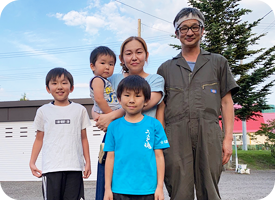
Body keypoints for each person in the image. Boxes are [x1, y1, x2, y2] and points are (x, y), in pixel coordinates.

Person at [157, 7, 239, 200]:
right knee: (179, 192)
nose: (190, 32)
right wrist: (160, 142)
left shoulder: (218, 63)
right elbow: (160, 107)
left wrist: (227, 139)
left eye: (195, 27)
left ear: (202, 30)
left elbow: (227, 103)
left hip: (209, 133)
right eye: (183, 28)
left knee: (209, 190)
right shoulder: (166, 69)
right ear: (176, 34)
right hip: (175, 137)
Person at [94, 36, 165, 200]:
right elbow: (98, 101)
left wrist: (110, 116)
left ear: (146, 55)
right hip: (117, 137)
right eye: (128, 53)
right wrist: (98, 116)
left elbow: (146, 104)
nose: (134, 57)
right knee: (110, 189)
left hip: (144, 142)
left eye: (139, 52)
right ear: (121, 58)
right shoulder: (111, 80)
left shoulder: (155, 79)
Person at [103, 75, 169, 200]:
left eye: (137, 96)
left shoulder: (154, 125)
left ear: (146, 100)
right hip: (119, 190)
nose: (132, 100)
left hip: (148, 190)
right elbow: (110, 158)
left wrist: (159, 187)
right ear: (119, 98)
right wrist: (107, 188)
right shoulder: (113, 127)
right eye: (127, 95)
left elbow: (159, 156)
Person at [29, 67, 91, 200]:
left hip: (74, 167)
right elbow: (39, 139)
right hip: (51, 168)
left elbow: (84, 138)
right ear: (48, 88)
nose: (59, 87)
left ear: (72, 87)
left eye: (64, 82)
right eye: (54, 83)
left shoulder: (79, 110)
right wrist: (32, 162)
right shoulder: (43, 111)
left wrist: (88, 162)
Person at [89, 46, 121, 115]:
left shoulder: (105, 80)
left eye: (111, 64)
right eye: (103, 63)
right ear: (92, 66)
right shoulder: (98, 80)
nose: (107, 67)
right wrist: (110, 114)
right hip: (105, 113)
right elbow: (99, 99)